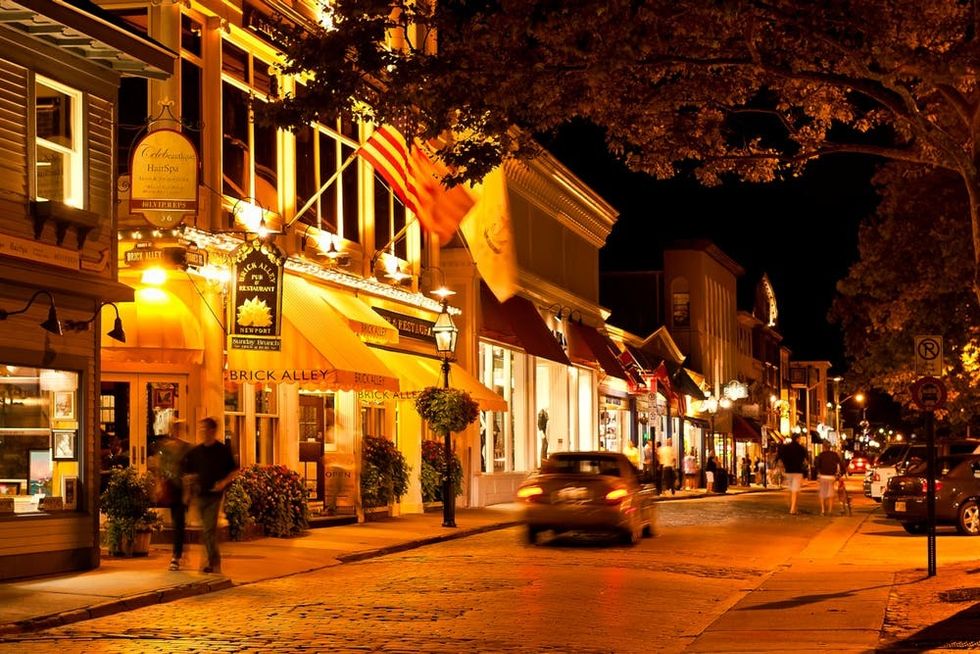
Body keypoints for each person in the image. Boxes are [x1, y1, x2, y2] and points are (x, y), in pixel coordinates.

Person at [182, 417, 239, 574]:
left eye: (205, 429)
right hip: (200, 494)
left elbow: (234, 471)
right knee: (207, 531)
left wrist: (223, 483)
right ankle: (211, 560)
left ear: (213, 430)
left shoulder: (222, 450)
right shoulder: (196, 452)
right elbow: (190, 475)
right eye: (201, 429)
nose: (202, 432)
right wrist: (188, 493)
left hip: (214, 495)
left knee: (208, 529)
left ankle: (211, 562)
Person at [151, 420, 191, 571]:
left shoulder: (187, 448)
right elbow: (159, 466)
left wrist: (188, 492)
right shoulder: (166, 447)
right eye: (174, 428)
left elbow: (190, 472)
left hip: (182, 488)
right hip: (171, 487)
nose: (176, 431)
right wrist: (159, 485)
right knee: (177, 523)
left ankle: (177, 555)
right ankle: (179, 551)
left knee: (179, 522)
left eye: (178, 428)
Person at [776, 433, 809, 514]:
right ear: (798, 439)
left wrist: (783, 464)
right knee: (795, 490)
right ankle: (793, 509)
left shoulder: (786, 447)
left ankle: (793, 506)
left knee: (791, 490)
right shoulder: (801, 448)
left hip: (789, 471)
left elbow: (780, 455)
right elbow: (806, 459)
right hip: (797, 471)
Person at [814, 447, 844, 516]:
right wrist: (841, 473)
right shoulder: (834, 454)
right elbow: (840, 463)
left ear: (824, 447)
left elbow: (817, 464)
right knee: (830, 493)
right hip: (831, 476)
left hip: (823, 476)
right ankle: (830, 510)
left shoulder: (821, 454)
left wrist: (817, 472)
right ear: (830, 448)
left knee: (822, 493)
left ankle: (823, 510)